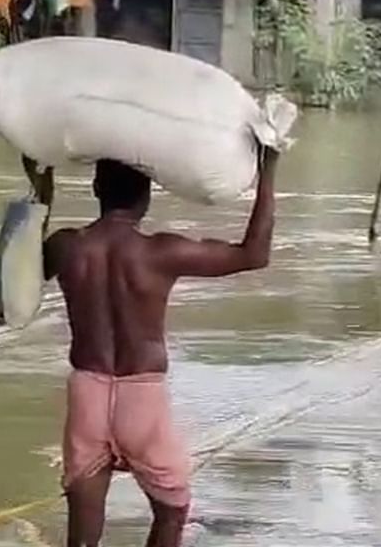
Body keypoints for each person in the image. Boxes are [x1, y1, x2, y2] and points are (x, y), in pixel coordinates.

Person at [44, 151, 279, 547]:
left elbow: (7, 294)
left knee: (82, 533)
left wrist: (39, 194)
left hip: (87, 391)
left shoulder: (66, 247)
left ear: (96, 188)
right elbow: (254, 254)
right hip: (142, 397)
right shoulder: (160, 252)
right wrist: (268, 170)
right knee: (171, 511)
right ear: (148, 195)